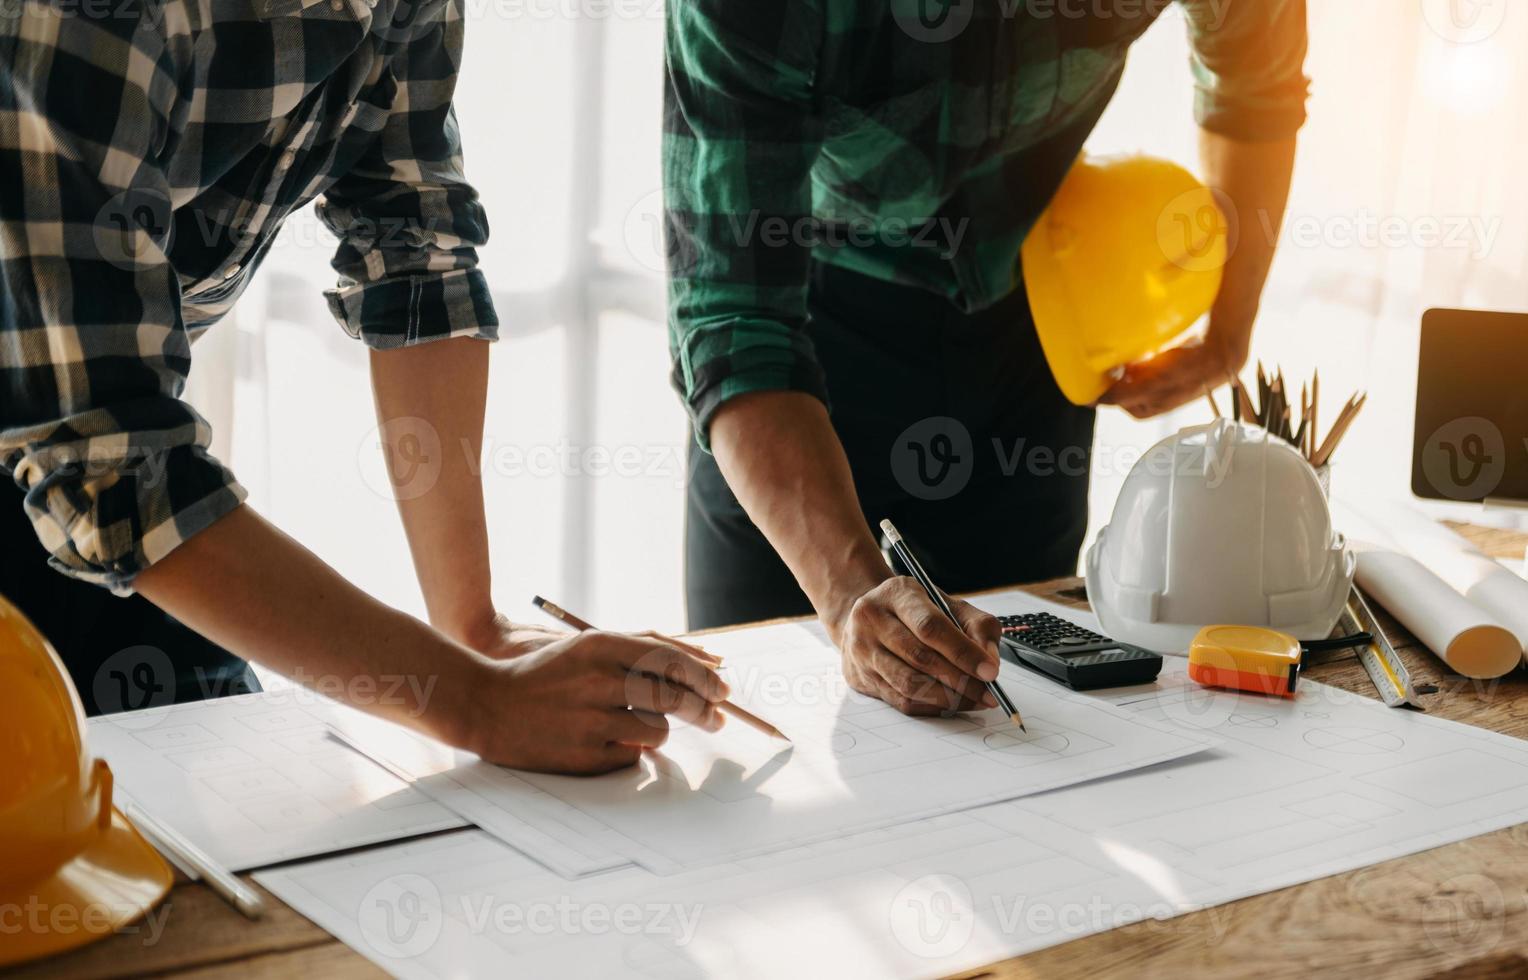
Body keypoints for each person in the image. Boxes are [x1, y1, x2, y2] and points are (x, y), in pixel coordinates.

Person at [1, 0, 725, 774]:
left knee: (230, 789)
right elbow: (105, 457)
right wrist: (480, 702)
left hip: (91, 455)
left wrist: (476, 631)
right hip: (73, 451)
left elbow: (417, 256)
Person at [664, 0, 1307, 713]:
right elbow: (735, 317)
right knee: (768, 724)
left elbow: (1255, 87)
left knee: (1029, 728)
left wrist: (1230, 329)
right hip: (803, 362)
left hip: (1032, 336)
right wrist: (849, 596)